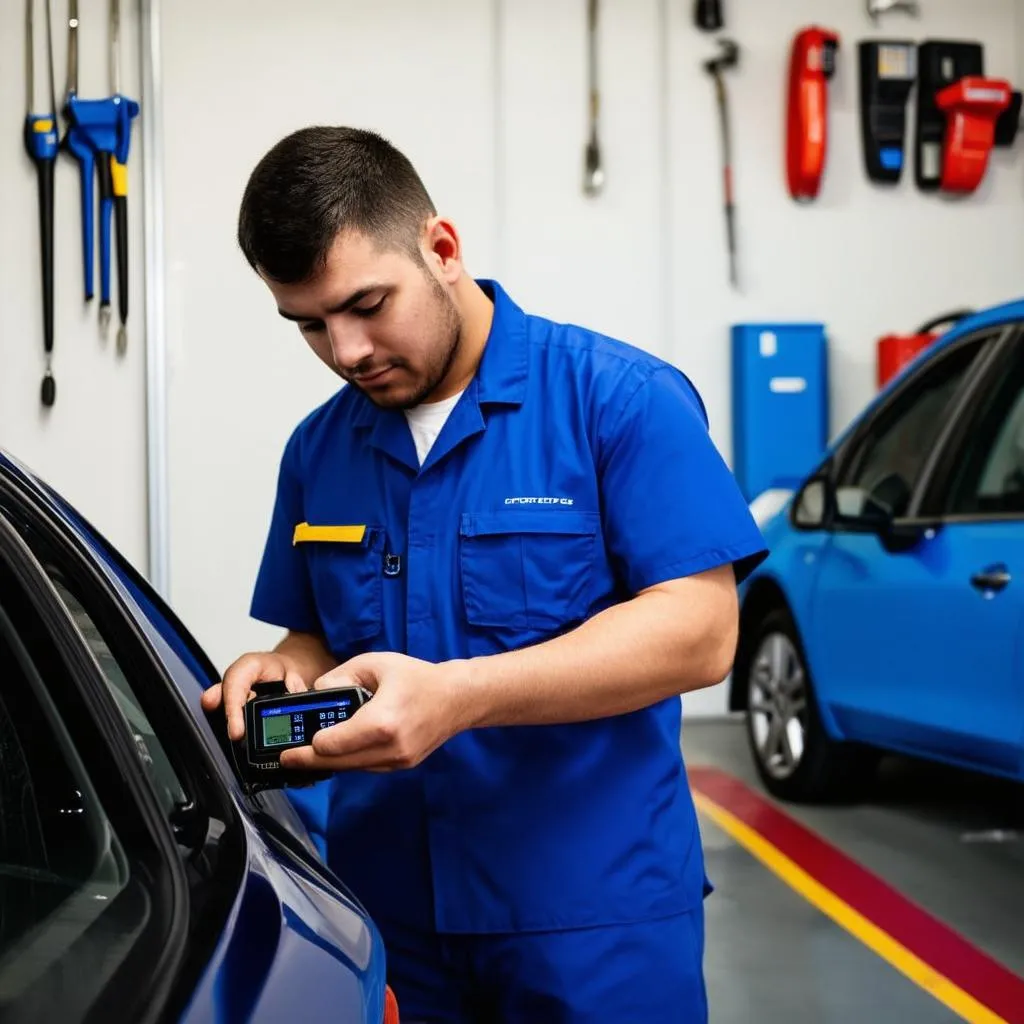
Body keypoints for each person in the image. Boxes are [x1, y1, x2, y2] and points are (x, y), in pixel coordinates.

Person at [202, 125, 768, 1023]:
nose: (346, 350)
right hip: (389, 916)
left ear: (443, 248)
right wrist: (283, 672)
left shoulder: (618, 401)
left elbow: (702, 633)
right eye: (309, 324)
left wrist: (462, 695)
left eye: (367, 304)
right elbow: (311, 631)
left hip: (591, 918)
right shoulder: (319, 448)